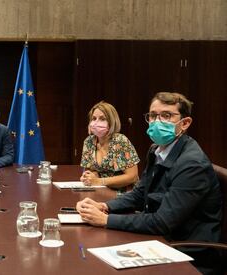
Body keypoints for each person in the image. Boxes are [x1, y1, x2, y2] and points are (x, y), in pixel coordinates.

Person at [76, 92, 222, 274]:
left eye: (166, 115)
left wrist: (106, 220)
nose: (157, 121)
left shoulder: (191, 164)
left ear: (185, 123)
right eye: (153, 115)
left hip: (187, 253)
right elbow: (139, 194)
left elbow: (163, 222)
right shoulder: (156, 150)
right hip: (160, 240)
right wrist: (105, 205)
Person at [80, 101, 140, 194]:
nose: (96, 122)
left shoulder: (120, 141)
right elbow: (92, 170)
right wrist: (89, 177)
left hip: (125, 194)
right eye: (94, 118)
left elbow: (132, 176)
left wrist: (100, 181)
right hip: (100, 191)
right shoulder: (89, 142)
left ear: (112, 121)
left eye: (102, 119)